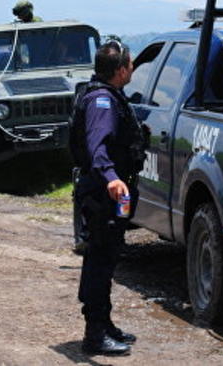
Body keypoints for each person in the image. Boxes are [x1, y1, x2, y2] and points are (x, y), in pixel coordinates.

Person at [70, 41, 146, 356]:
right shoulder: (102, 101)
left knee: (106, 258)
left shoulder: (107, 94)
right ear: (120, 70)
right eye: (130, 64)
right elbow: (96, 146)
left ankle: (105, 325)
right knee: (99, 262)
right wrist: (112, 178)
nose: (132, 69)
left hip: (105, 193)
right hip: (102, 193)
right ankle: (94, 335)